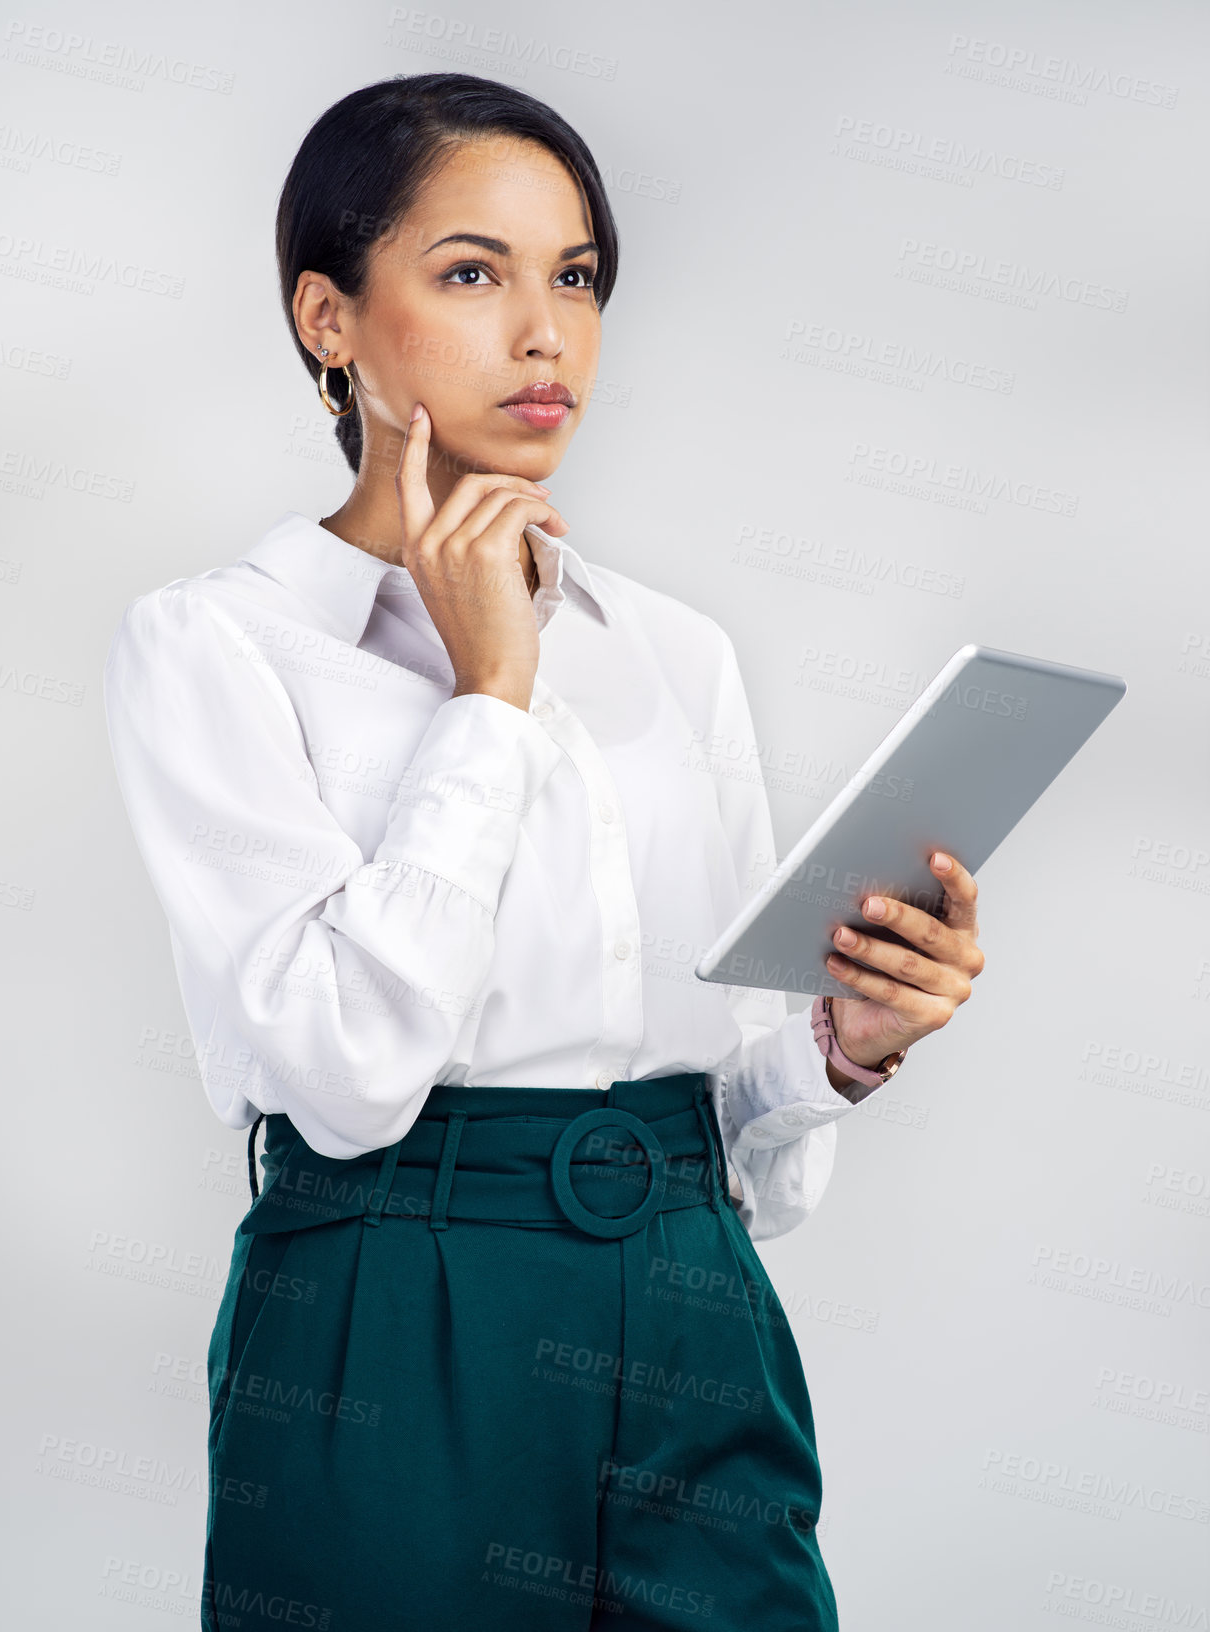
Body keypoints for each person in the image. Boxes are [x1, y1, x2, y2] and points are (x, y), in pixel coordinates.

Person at [102, 72, 985, 1632]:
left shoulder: (674, 652)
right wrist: (491, 696)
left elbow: (750, 1156)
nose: (547, 333)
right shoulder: (217, 647)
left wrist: (838, 1051)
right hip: (392, 1313)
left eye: (575, 276)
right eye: (471, 272)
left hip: (695, 1296)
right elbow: (348, 1072)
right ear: (328, 316)